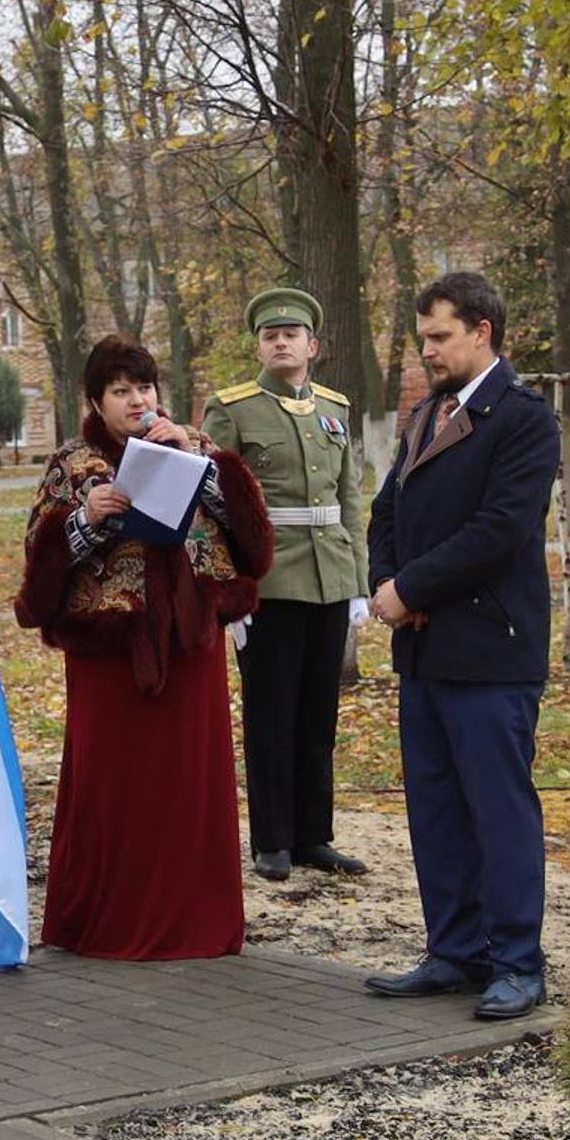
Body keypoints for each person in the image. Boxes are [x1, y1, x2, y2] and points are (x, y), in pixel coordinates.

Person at [14, 334, 272, 960]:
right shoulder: (73, 465)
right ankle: (105, 924)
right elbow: (38, 583)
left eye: (144, 388)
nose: (136, 401)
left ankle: (196, 923)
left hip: (192, 650)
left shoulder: (198, 448)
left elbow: (255, 547)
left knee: (189, 786)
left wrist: (202, 468)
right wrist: (85, 520)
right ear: (96, 401)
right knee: (114, 790)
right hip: (110, 656)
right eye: (121, 391)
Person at [361, 272, 558, 1022]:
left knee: (498, 810)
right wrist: (386, 579)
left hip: (490, 648)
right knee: (436, 807)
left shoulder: (522, 417)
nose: (428, 351)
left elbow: (499, 530)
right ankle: (455, 950)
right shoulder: (426, 414)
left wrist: (411, 590)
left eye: (440, 337)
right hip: (425, 648)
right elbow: (388, 510)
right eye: (423, 339)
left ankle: (516, 961)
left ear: (482, 330)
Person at [202, 285, 368, 883]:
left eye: (290, 334)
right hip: (269, 581)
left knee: (318, 716)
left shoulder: (335, 408)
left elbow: (350, 495)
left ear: (312, 345)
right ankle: (271, 840)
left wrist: (359, 580)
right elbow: (214, 505)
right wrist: (232, 588)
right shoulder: (232, 408)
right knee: (271, 715)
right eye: (270, 336)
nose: (280, 342)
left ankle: (312, 836)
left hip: (330, 575)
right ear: (258, 346)